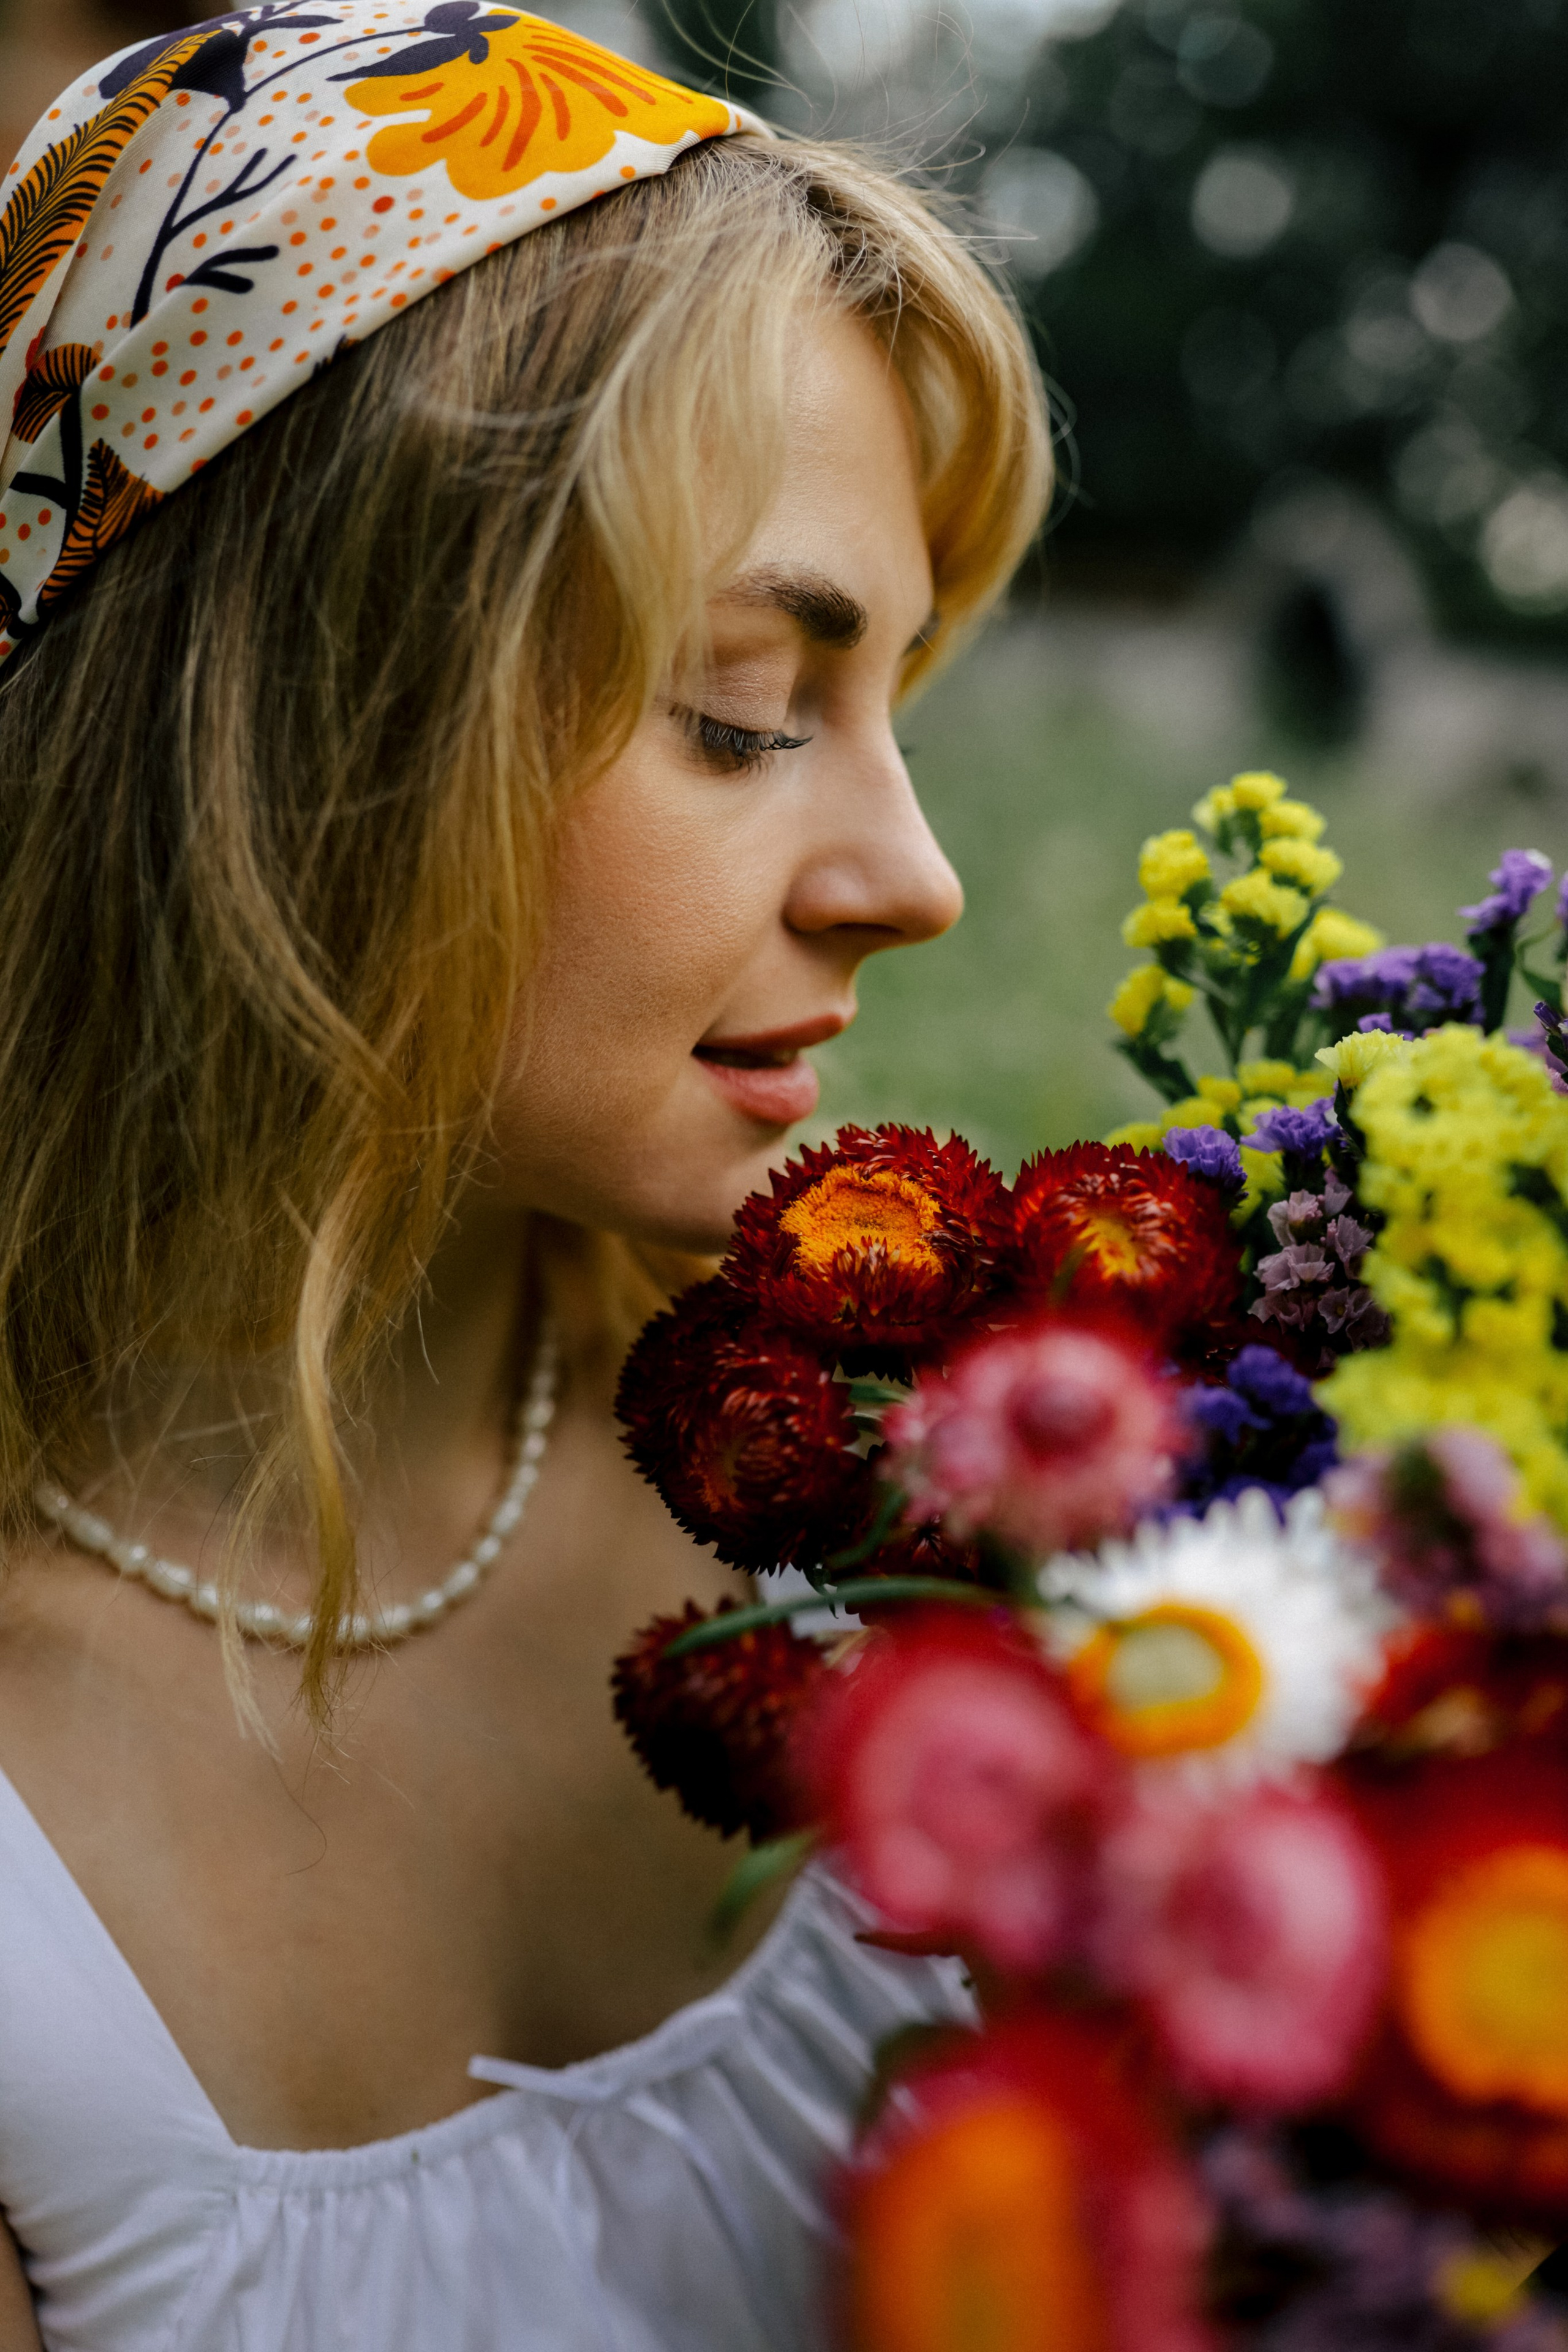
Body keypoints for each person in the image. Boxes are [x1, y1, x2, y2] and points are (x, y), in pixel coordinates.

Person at [0, 5, 1049, 2344]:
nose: (914, 872)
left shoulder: (972, 1509)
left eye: (894, 710)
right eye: (746, 715)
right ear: (297, 733)